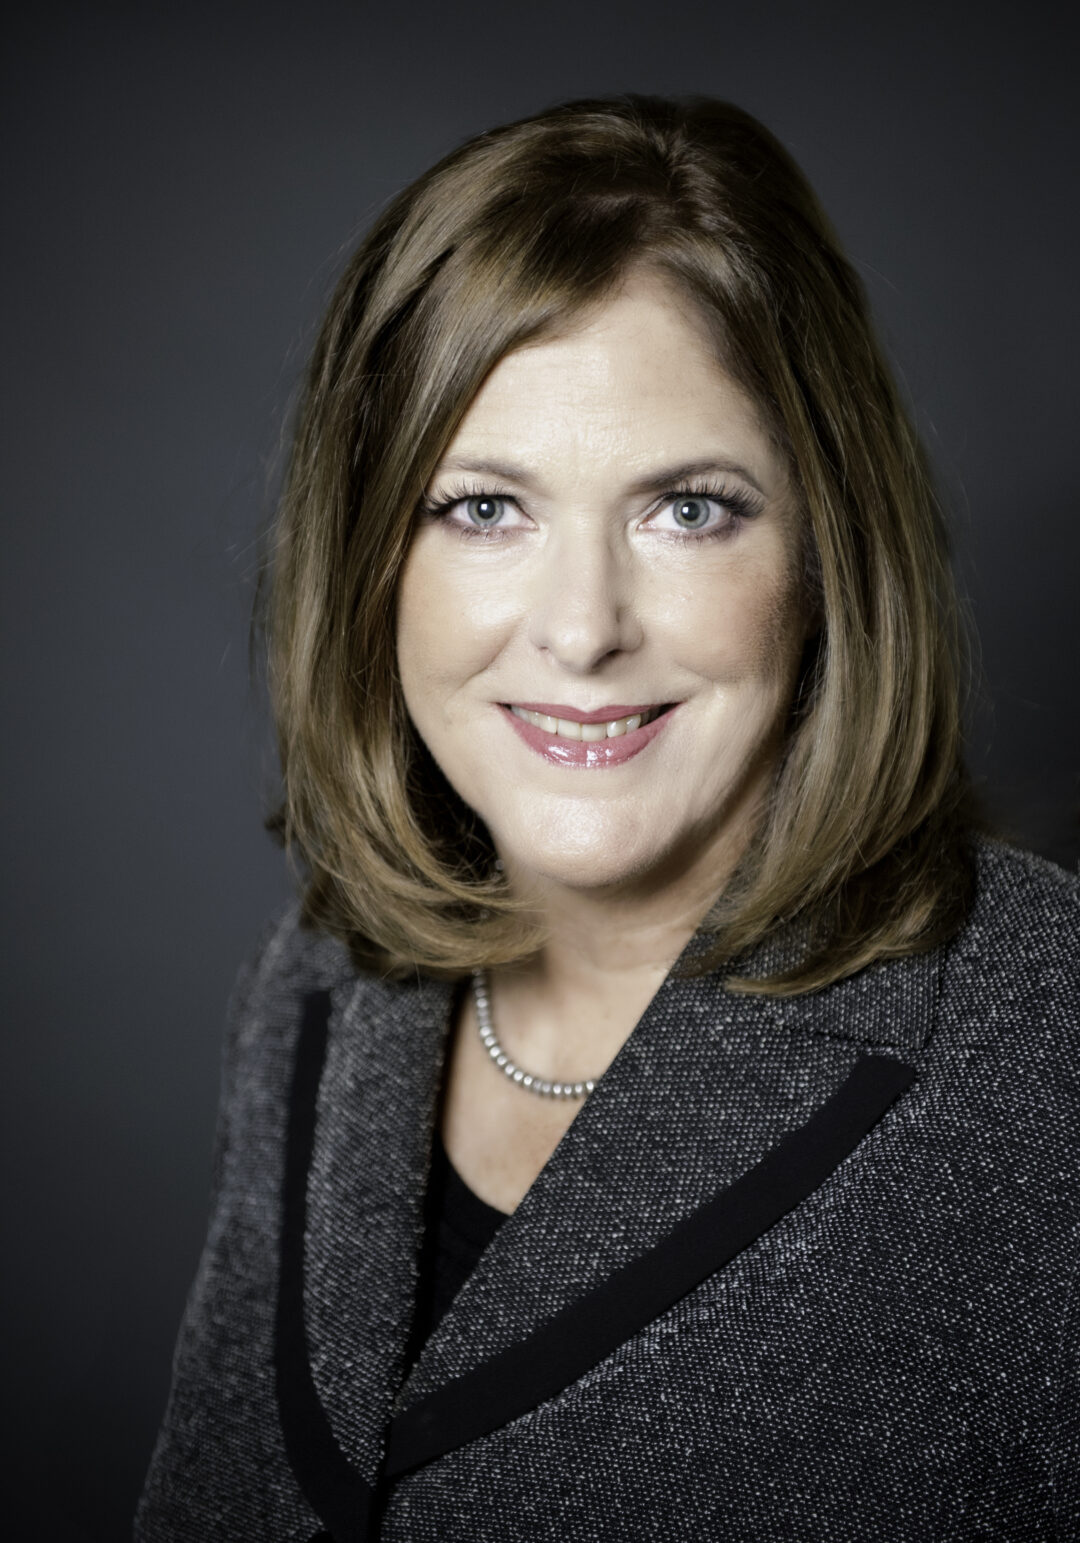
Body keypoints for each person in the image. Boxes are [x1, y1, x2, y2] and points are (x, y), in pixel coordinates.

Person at [135, 95, 1079, 1541]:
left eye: (687, 509)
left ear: (828, 548)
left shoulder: (1043, 1041)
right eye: (484, 508)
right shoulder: (317, 993)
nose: (583, 630)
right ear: (372, 555)